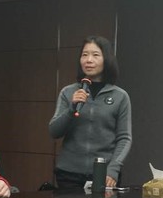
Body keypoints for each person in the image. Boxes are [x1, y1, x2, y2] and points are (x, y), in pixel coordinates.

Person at [48, 35, 132, 189]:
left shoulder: (120, 96)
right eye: (84, 55)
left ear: (106, 59)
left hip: (104, 174)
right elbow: (54, 131)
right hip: (68, 174)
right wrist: (71, 108)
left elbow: (124, 138)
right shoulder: (68, 92)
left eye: (95, 55)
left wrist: (114, 169)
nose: (88, 60)